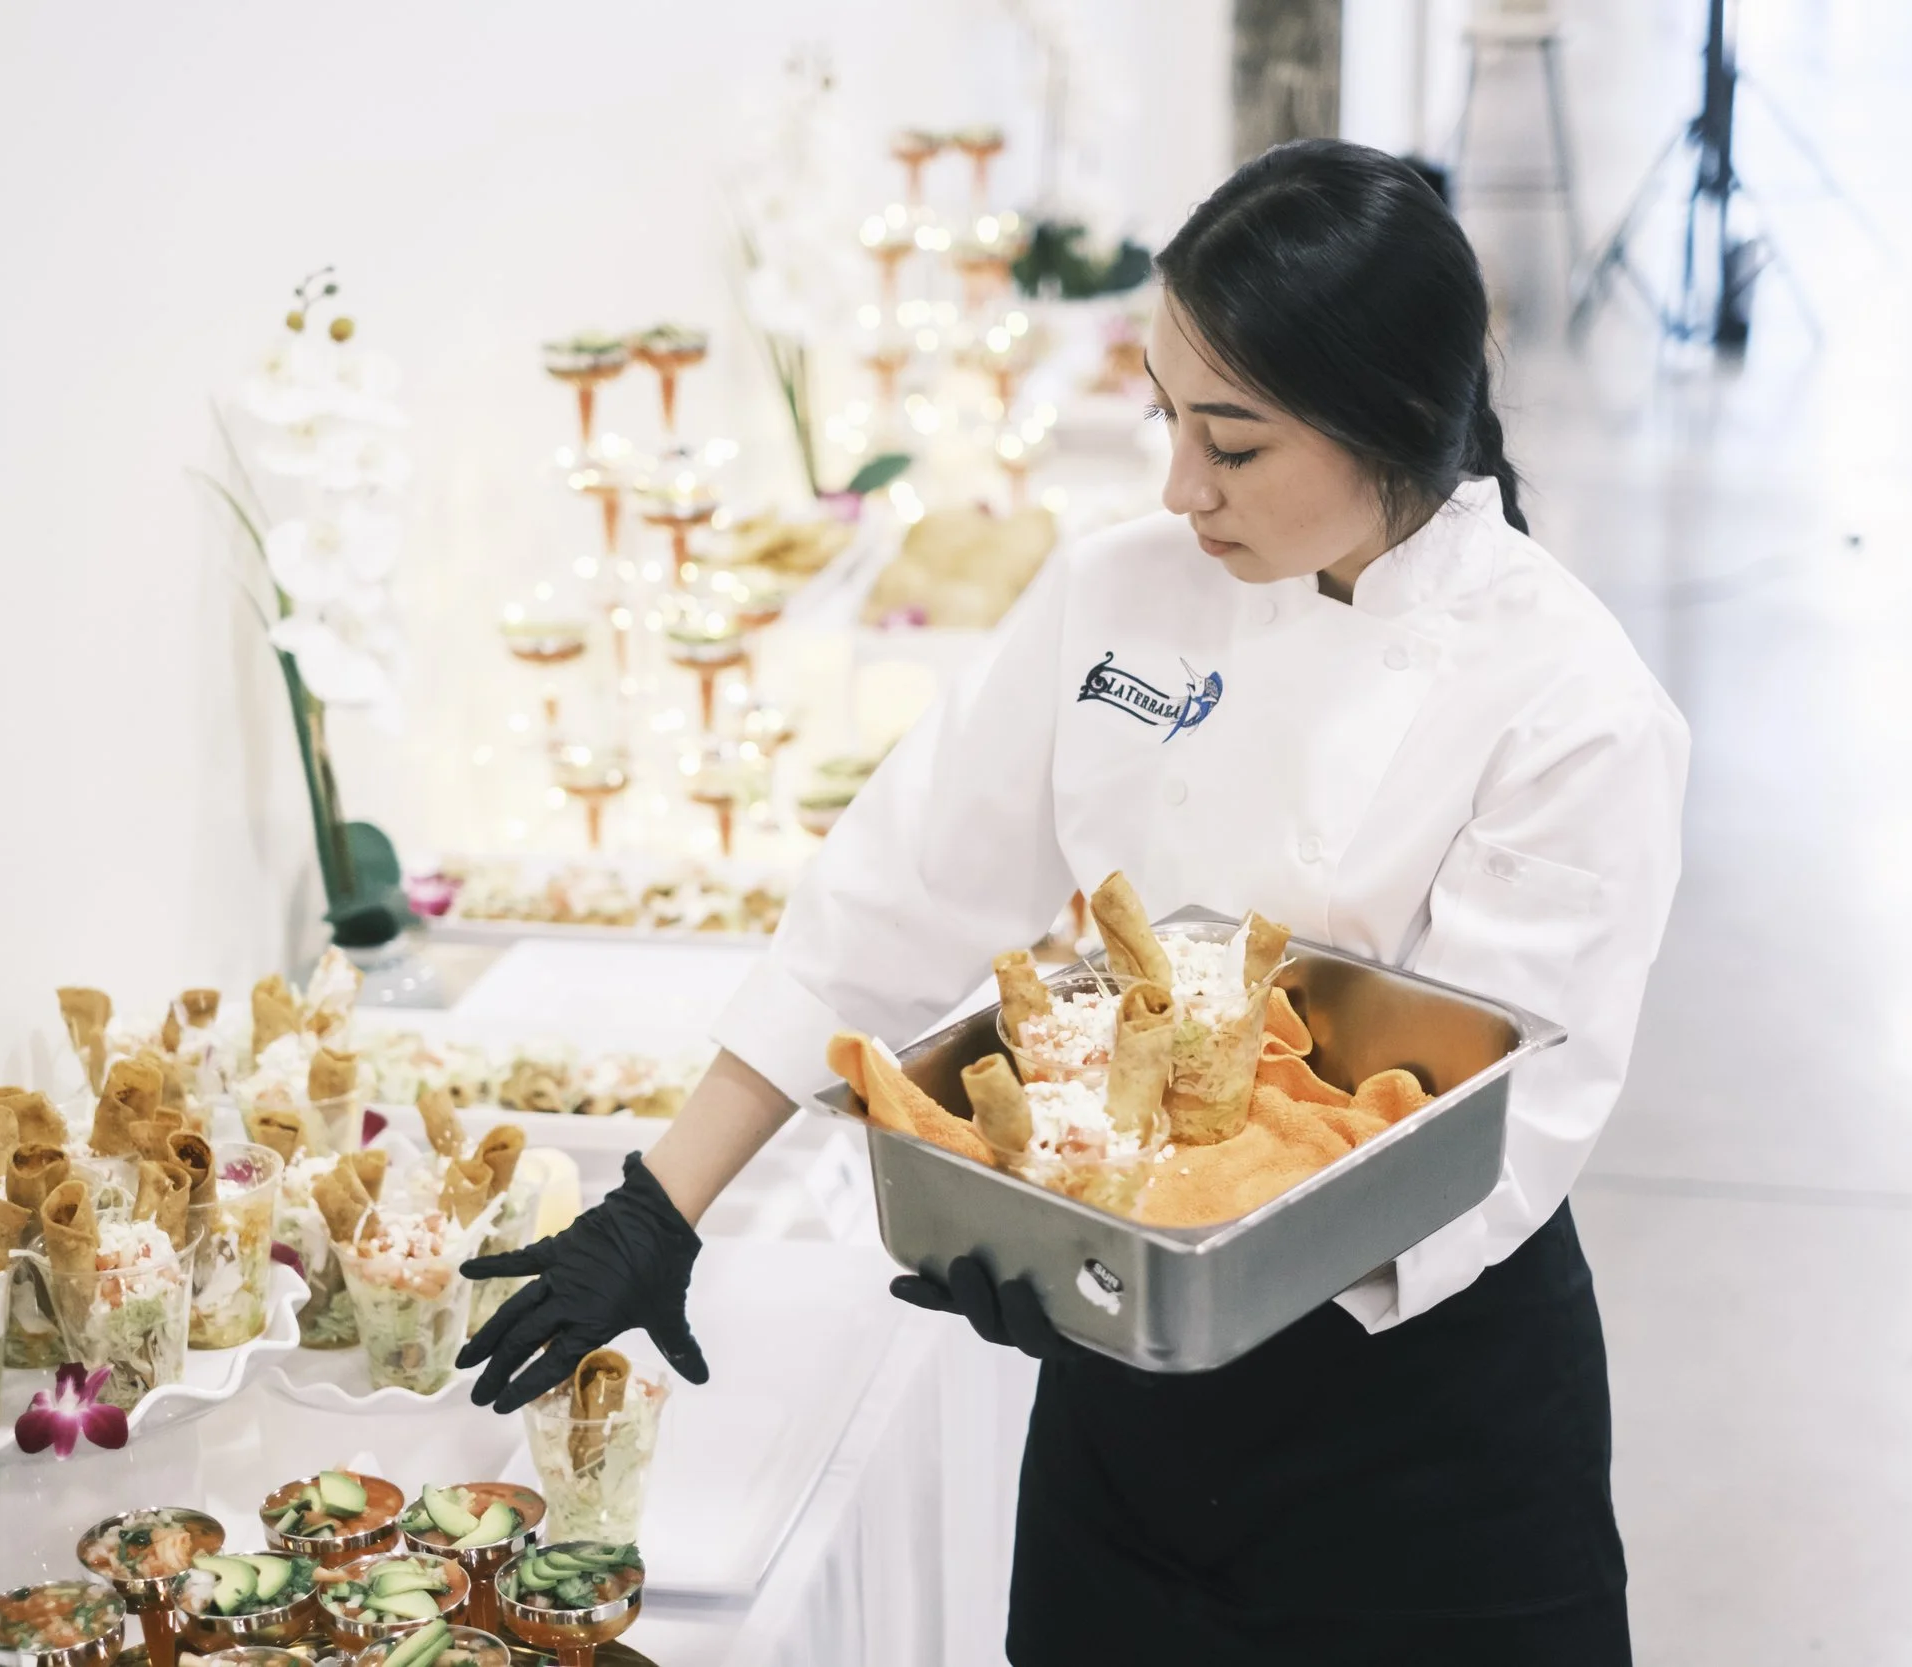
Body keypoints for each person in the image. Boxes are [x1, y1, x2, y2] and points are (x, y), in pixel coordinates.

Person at [460, 138, 1688, 1664]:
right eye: (1169, 419)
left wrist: (1121, 1255)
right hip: (1131, 1424)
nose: (1179, 487)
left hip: (1418, 1423)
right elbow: (895, 895)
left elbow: (1474, 1134)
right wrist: (662, 1202)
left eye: (1231, 446)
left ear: (1395, 419)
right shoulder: (1123, 590)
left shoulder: (1571, 703)